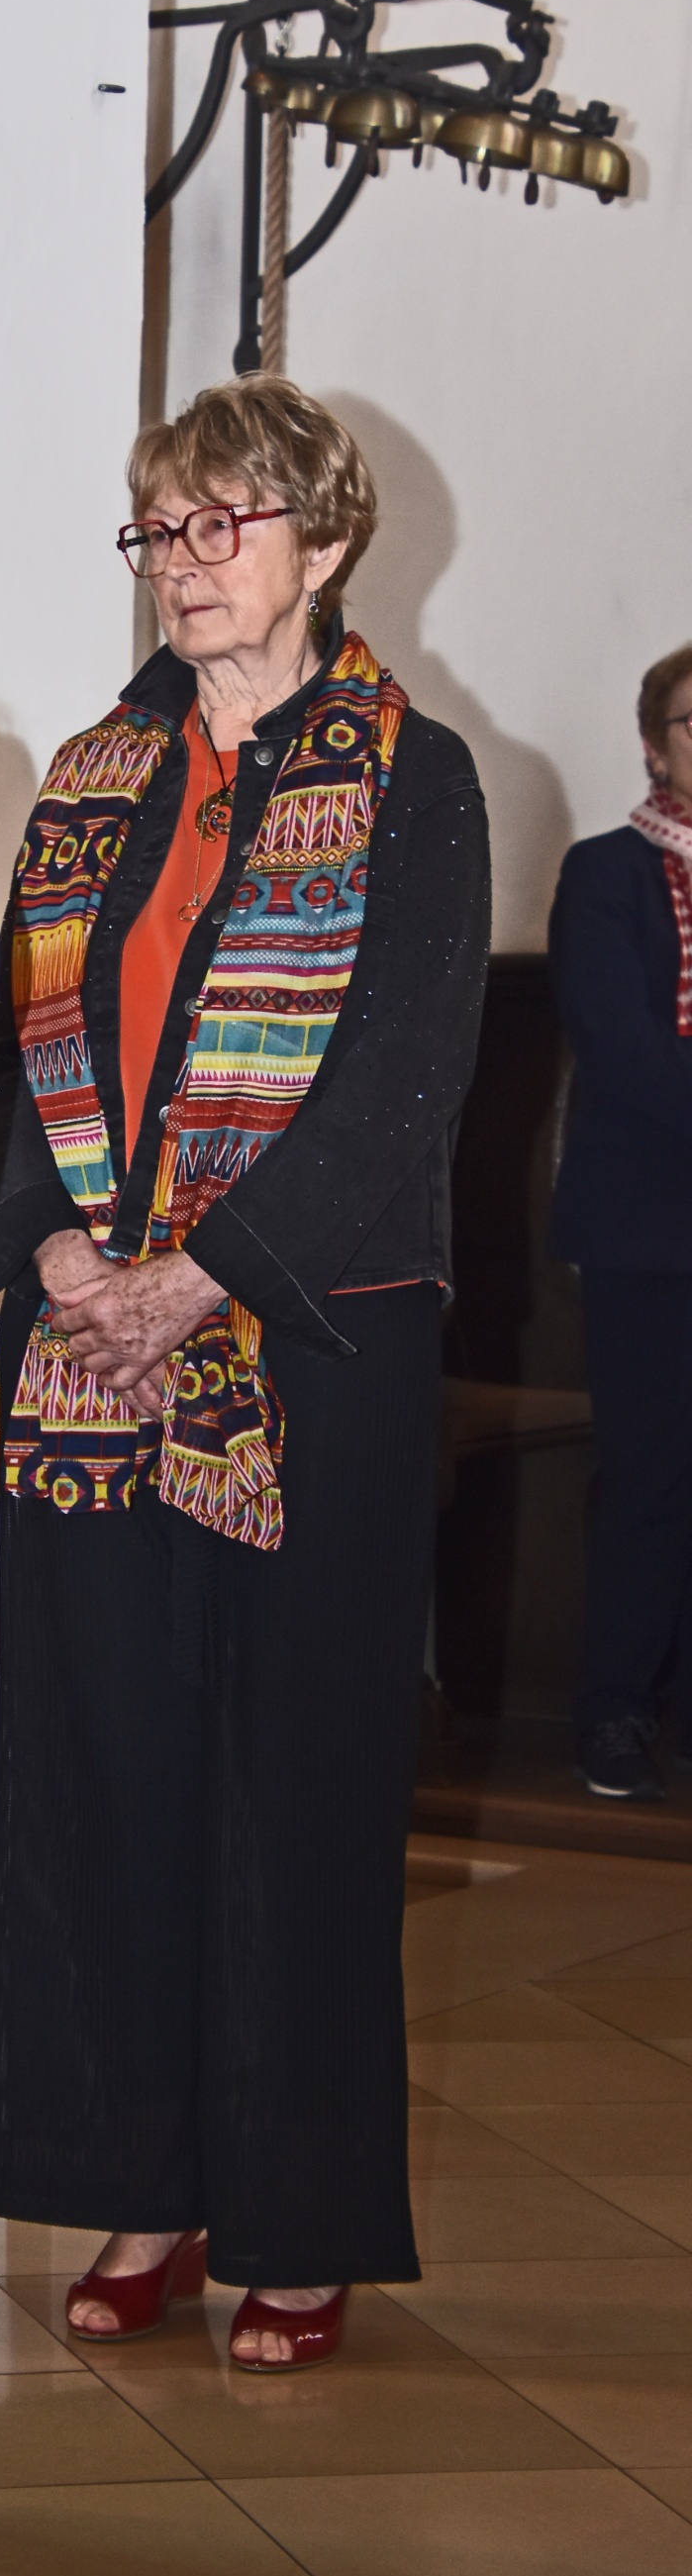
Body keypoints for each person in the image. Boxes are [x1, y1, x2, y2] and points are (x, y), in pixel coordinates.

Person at [0, 375, 489, 2369]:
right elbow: (12, 1053)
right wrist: (50, 1247)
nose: (183, 563)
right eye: (158, 527)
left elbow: (398, 1087)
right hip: (88, 1346)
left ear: (323, 543)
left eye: (221, 525)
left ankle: (297, 2215)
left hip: (310, 1353)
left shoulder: (411, 776)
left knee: (297, 1787)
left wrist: (208, 1274)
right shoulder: (94, 772)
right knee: (105, 1774)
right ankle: (142, 2184)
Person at [547, 643, 692, 1801]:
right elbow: (621, 1044)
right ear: (654, 744)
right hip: (646, 1227)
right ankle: (608, 1712)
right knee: (649, 1476)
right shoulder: (605, 874)